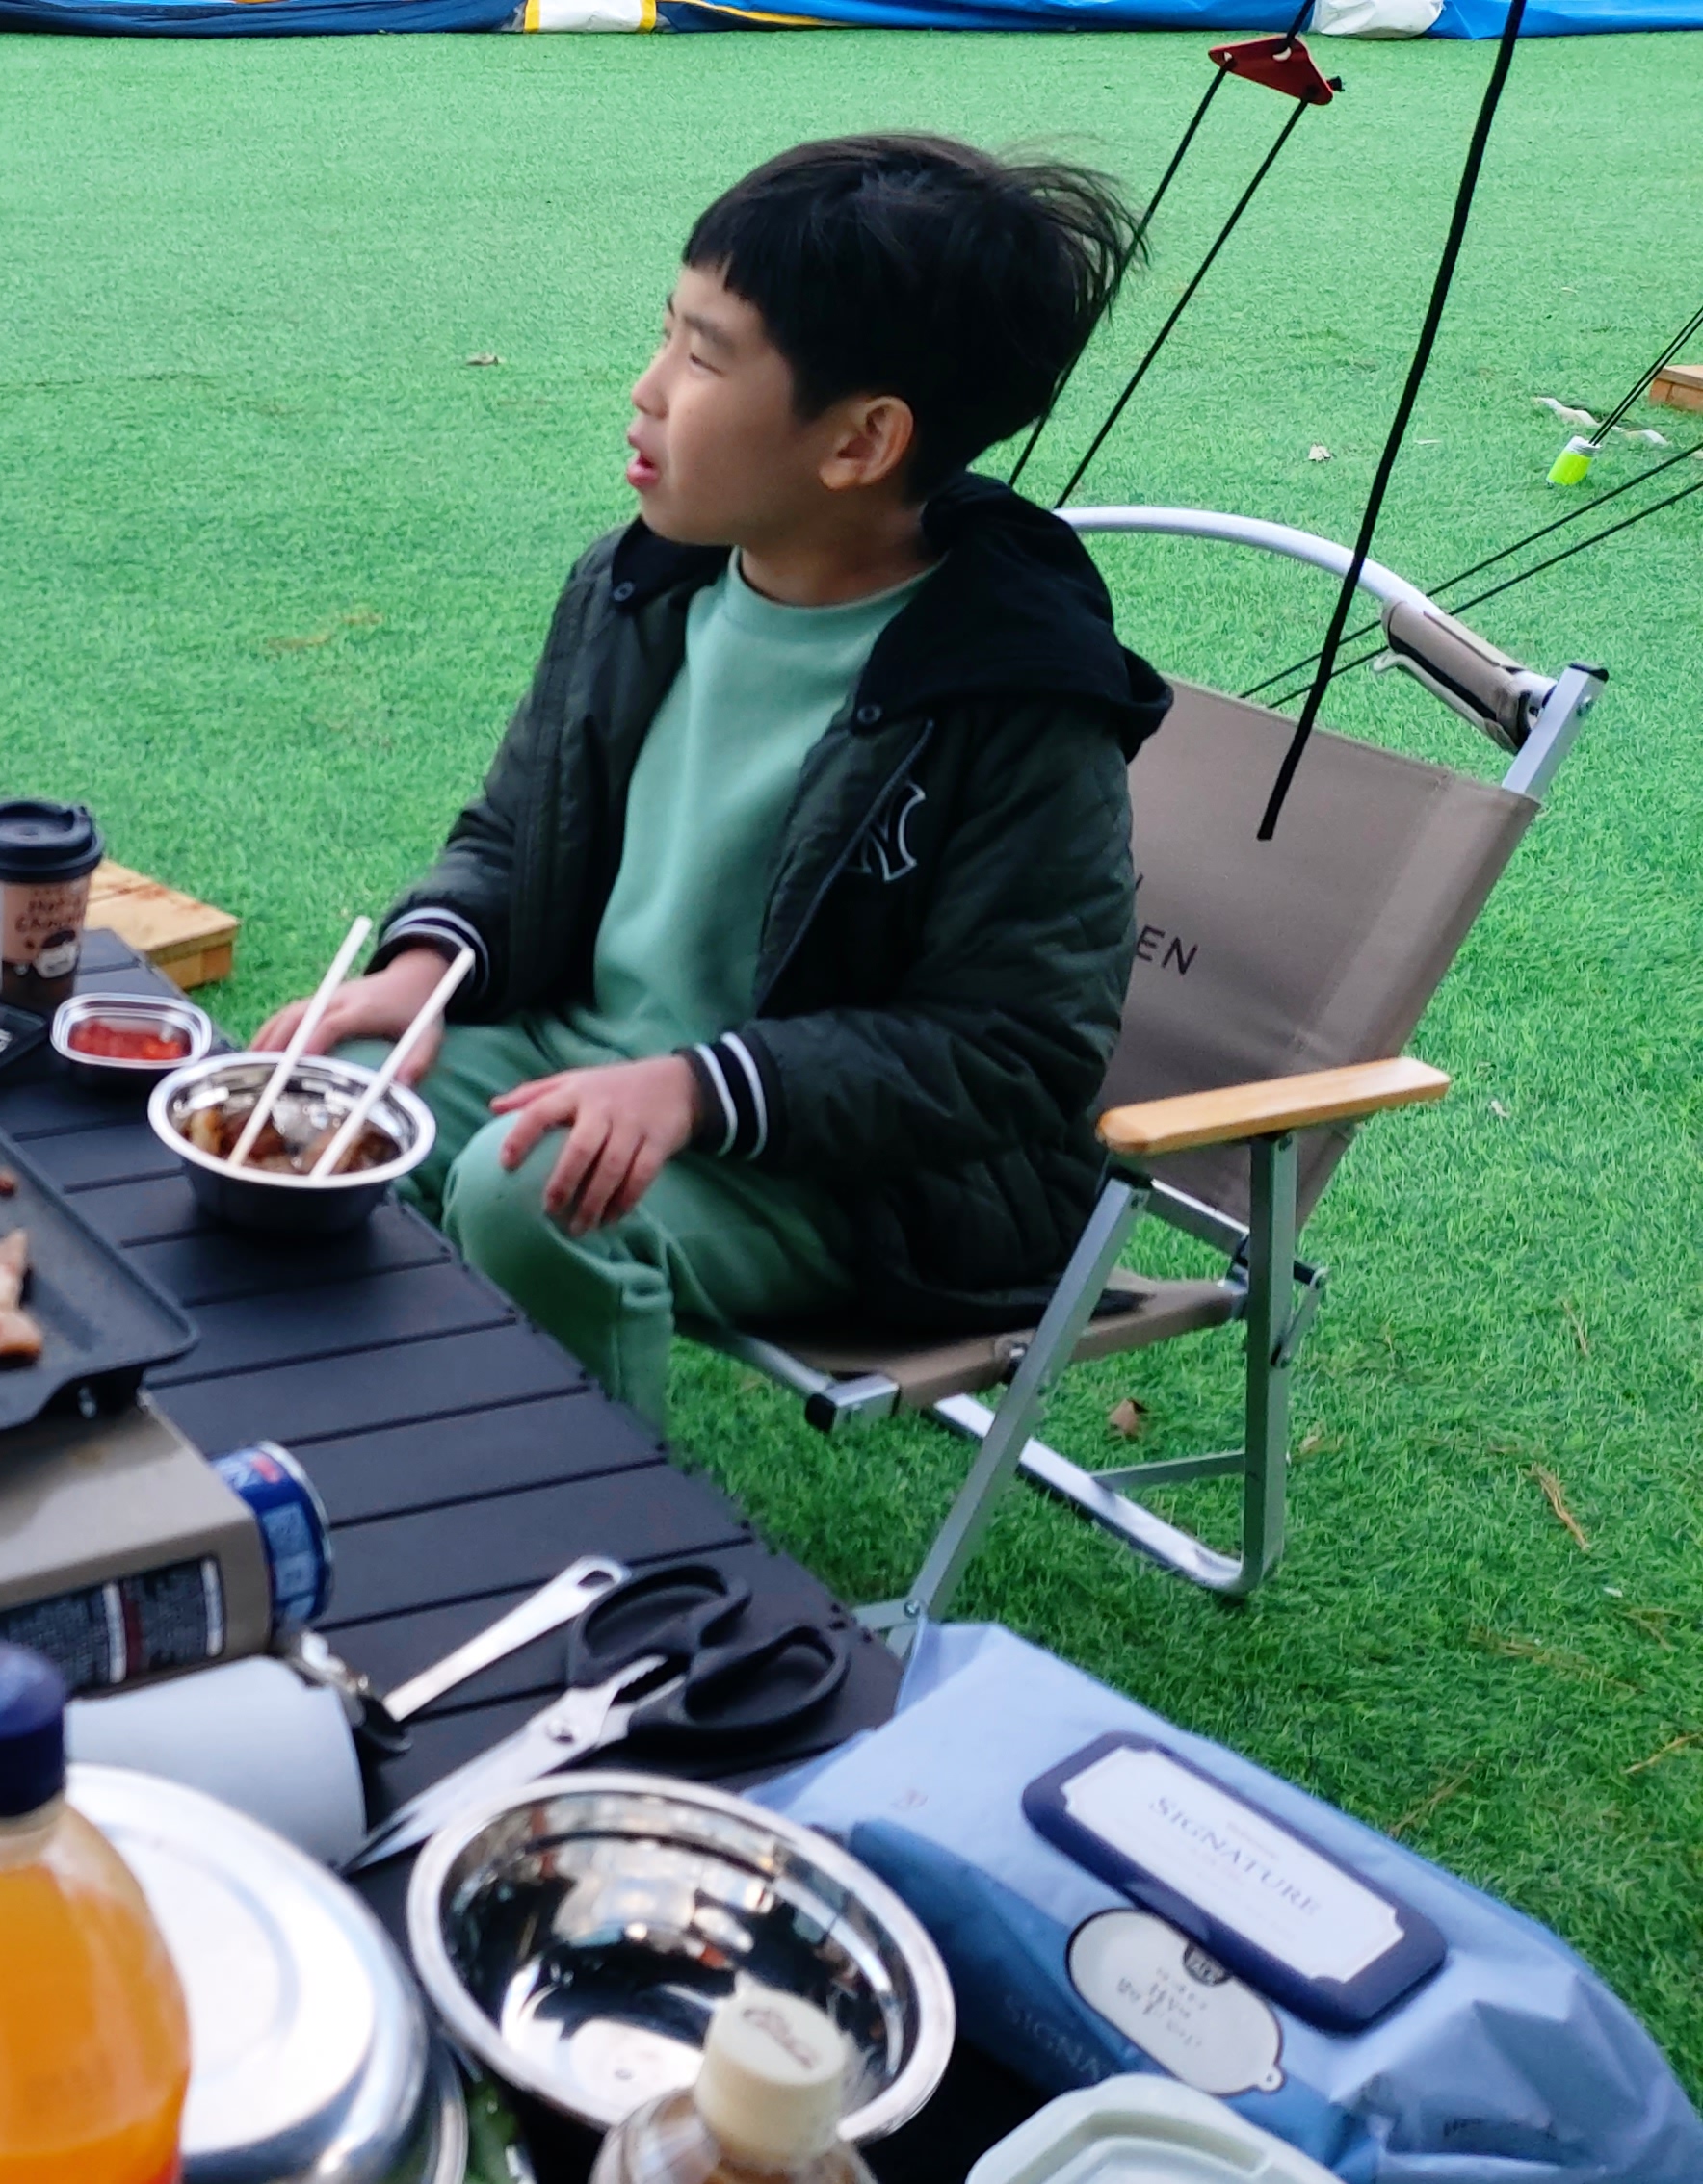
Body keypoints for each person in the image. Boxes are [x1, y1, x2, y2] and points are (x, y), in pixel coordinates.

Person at [258, 135, 1169, 1424]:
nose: (645, 389)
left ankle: (575, 1516)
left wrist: (701, 1088)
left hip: (854, 1177)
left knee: (533, 1190)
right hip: (587, 1056)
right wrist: (424, 971)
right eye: (665, 333)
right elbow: (517, 832)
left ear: (860, 443)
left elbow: (1014, 1051)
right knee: (333, 1085)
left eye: (703, 357)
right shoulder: (637, 585)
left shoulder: (1010, 693)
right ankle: (355, 1431)